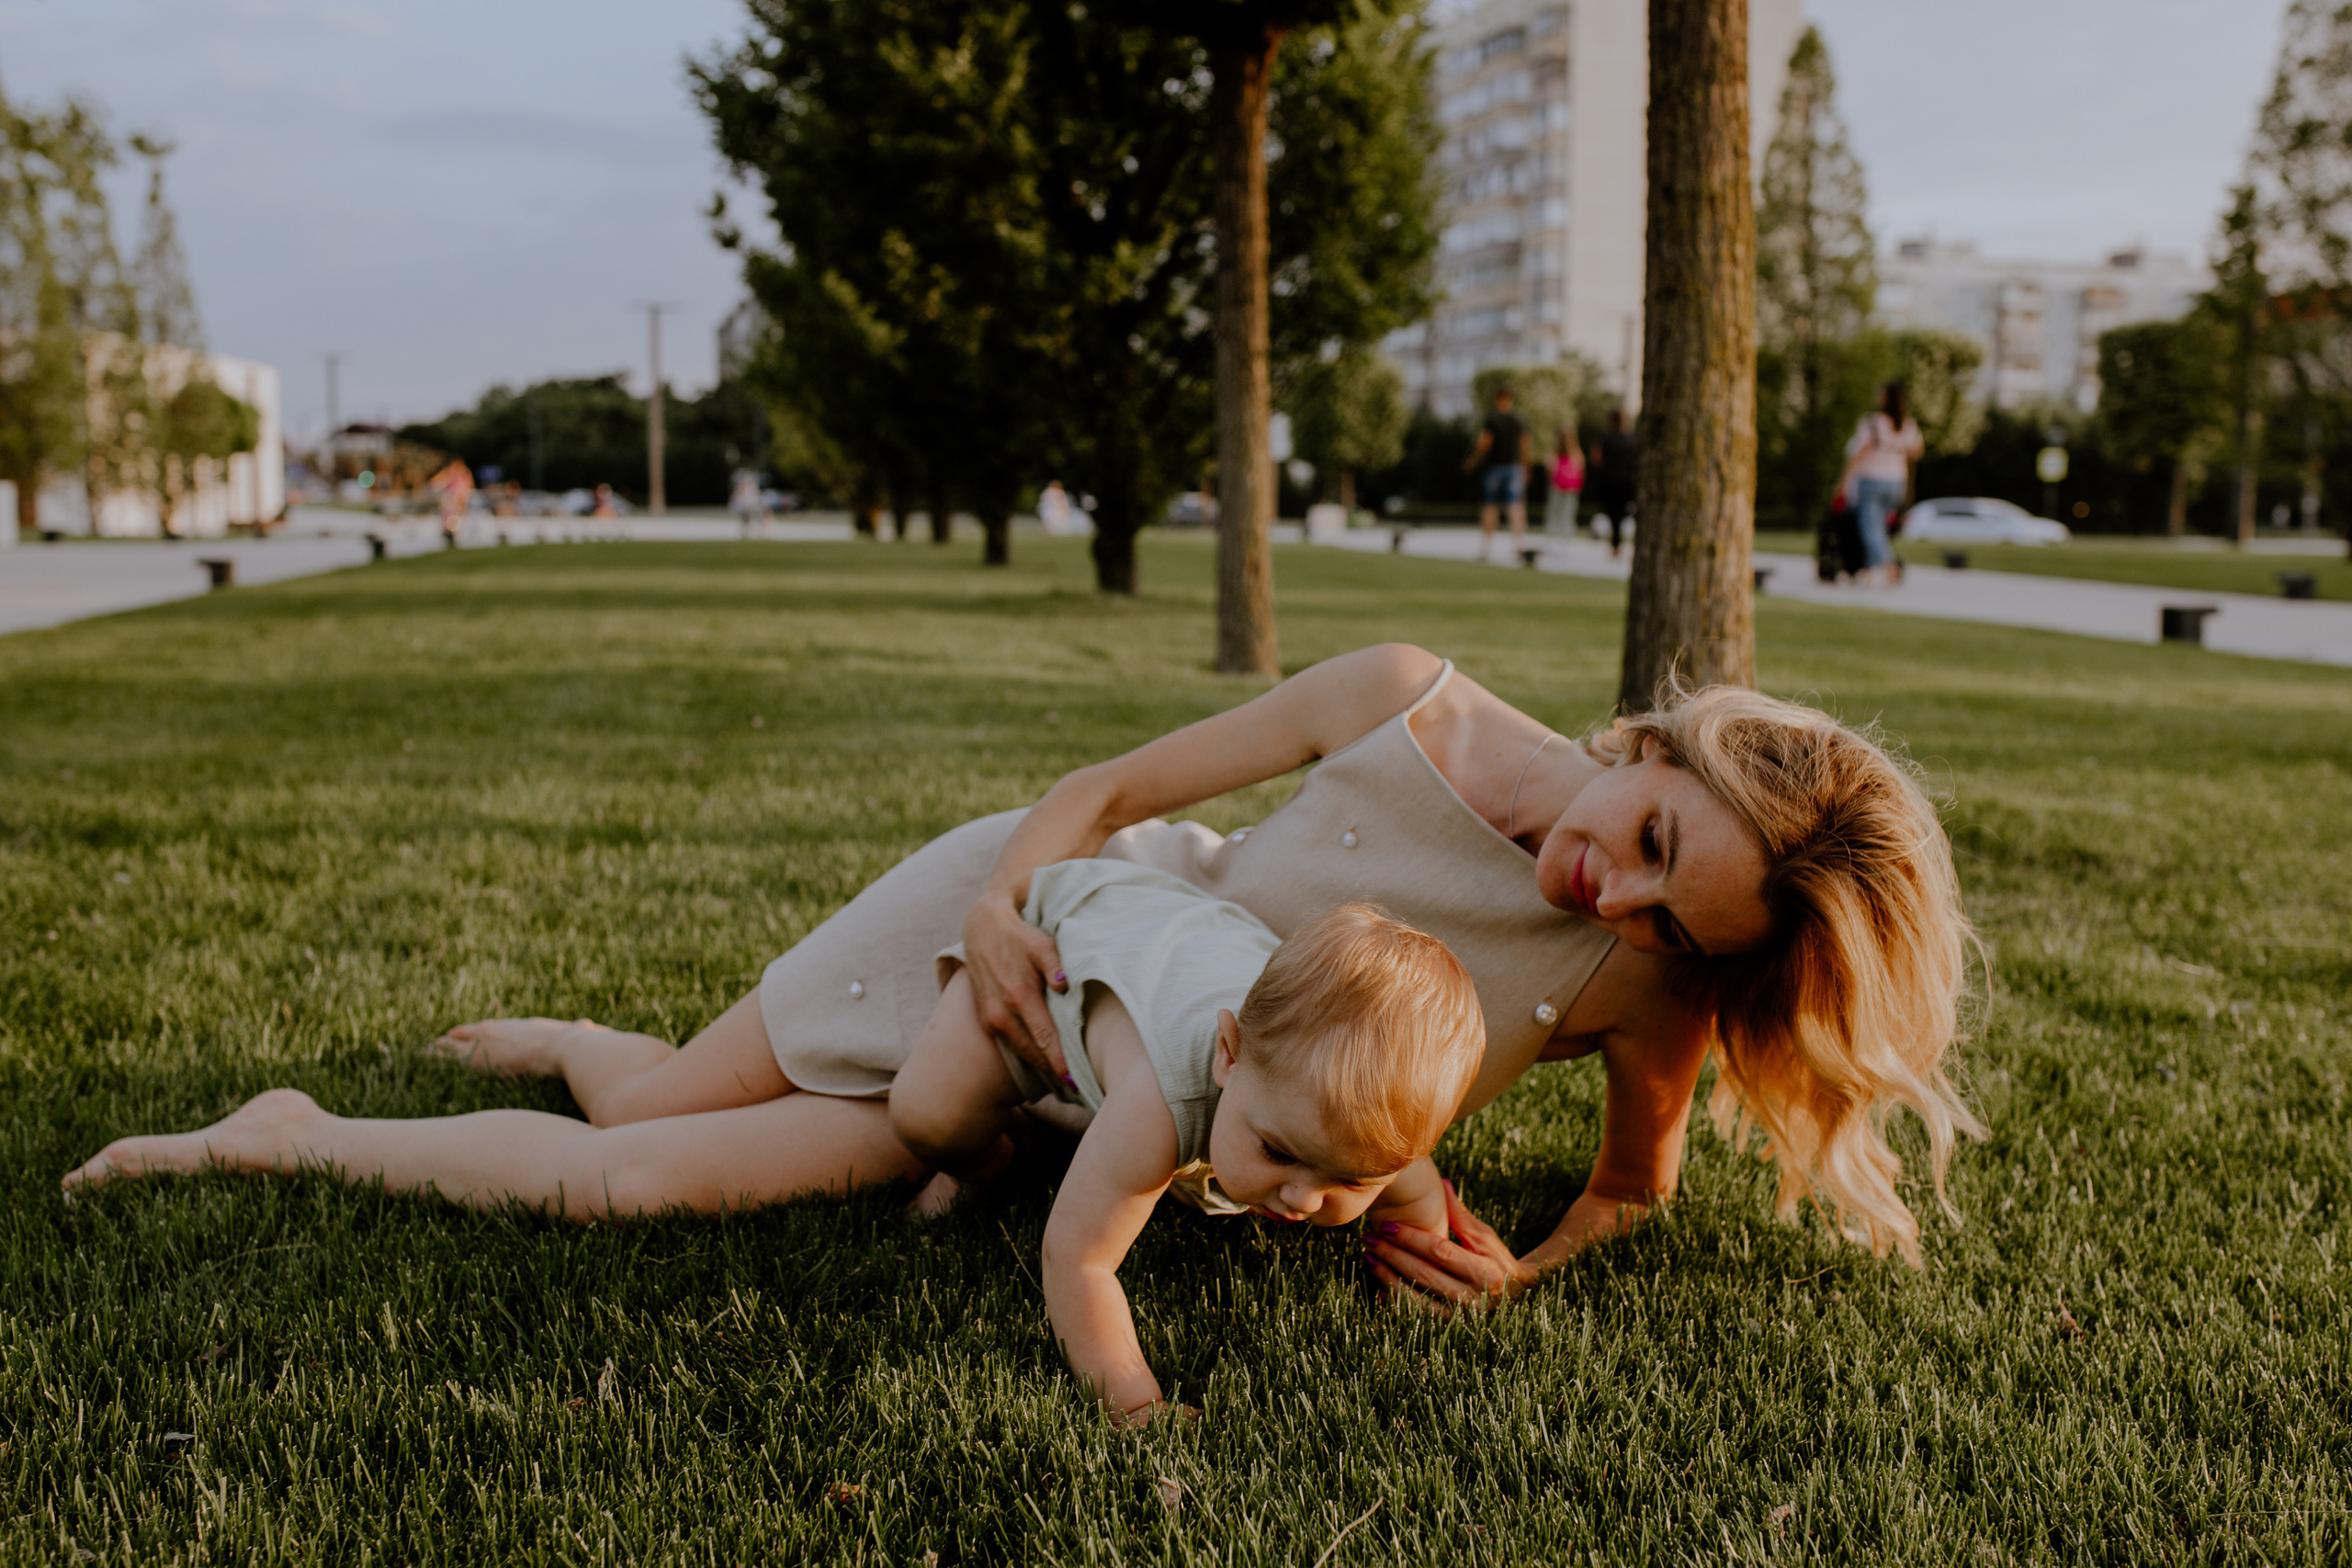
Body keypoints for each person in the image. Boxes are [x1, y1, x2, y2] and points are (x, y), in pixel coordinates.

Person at [68, 645, 1981, 1307]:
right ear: (1659, 744)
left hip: (1079, 1111)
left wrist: (1514, 1267)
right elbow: (1114, 789)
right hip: (1040, 932)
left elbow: (1632, 1181)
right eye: (1645, 836)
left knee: (644, 1187)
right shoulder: (1415, 701)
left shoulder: (1637, 977)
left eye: (1668, 917)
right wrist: (1001, 911)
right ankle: (495, 1068)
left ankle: (296, 1127)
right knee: (647, 1119)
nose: (1611, 889)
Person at [893, 874, 1482, 1421]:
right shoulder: (1160, 1100)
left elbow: (1412, 1196)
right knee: (927, 1117)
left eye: (1350, 1181)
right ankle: (988, 1164)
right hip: (1066, 951)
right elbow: (1078, 1260)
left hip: (1190, 940)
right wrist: (1135, 1408)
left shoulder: (1351, 1121)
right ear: (1228, 1054)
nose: (1303, 1199)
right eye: (1278, 1152)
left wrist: (1410, 1264)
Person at [1838, 382, 1924, 588]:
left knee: (1869, 527)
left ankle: (1889, 565)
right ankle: (1866, 571)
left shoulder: (1872, 423)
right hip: (1897, 483)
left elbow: (1857, 454)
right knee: (1879, 528)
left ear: (1885, 398)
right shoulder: (1908, 426)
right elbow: (1917, 451)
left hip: (1873, 480)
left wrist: (1843, 482)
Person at [1464, 387, 1531, 562]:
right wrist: (1526, 467)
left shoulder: (1492, 418)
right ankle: (1519, 545)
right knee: (1515, 505)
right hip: (1514, 467)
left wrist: (1473, 459)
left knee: (1489, 505)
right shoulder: (1519, 419)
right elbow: (1525, 445)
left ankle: (1486, 548)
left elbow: (1485, 442)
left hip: (1494, 467)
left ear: (1497, 399)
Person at [1587, 408, 1635, 558]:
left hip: (1609, 481)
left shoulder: (1605, 438)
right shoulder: (1631, 440)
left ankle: (1615, 545)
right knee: (1620, 514)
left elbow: (1596, 458)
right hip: (1626, 482)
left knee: (1613, 514)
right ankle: (1616, 544)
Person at [1544, 428, 1585, 538]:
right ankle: (1566, 534)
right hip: (1571, 487)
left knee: (1555, 511)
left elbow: (1549, 467)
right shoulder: (1576, 452)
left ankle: (1554, 534)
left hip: (1557, 486)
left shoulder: (1555, 452)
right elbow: (1581, 470)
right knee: (1568, 511)